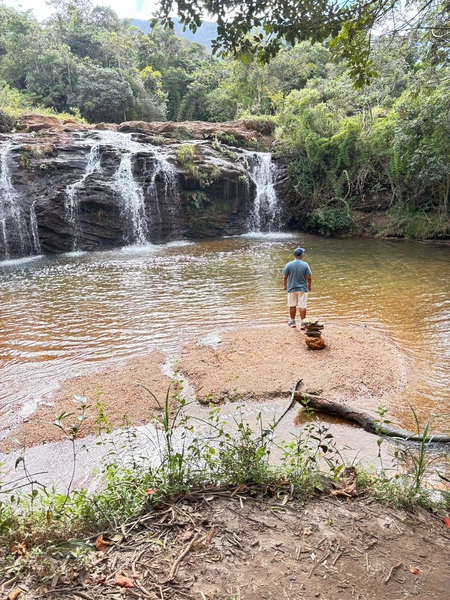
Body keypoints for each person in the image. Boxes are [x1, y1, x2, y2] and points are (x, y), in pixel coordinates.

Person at [283, 247, 312, 328]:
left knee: (292, 305)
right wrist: (309, 286)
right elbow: (309, 277)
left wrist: (285, 285)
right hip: (302, 288)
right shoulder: (305, 264)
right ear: (301, 255)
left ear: (294, 255)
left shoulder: (289, 264)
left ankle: (292, 322)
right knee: (302, 306)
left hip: (291, 288)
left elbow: (285, 276)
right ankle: (303, 323)